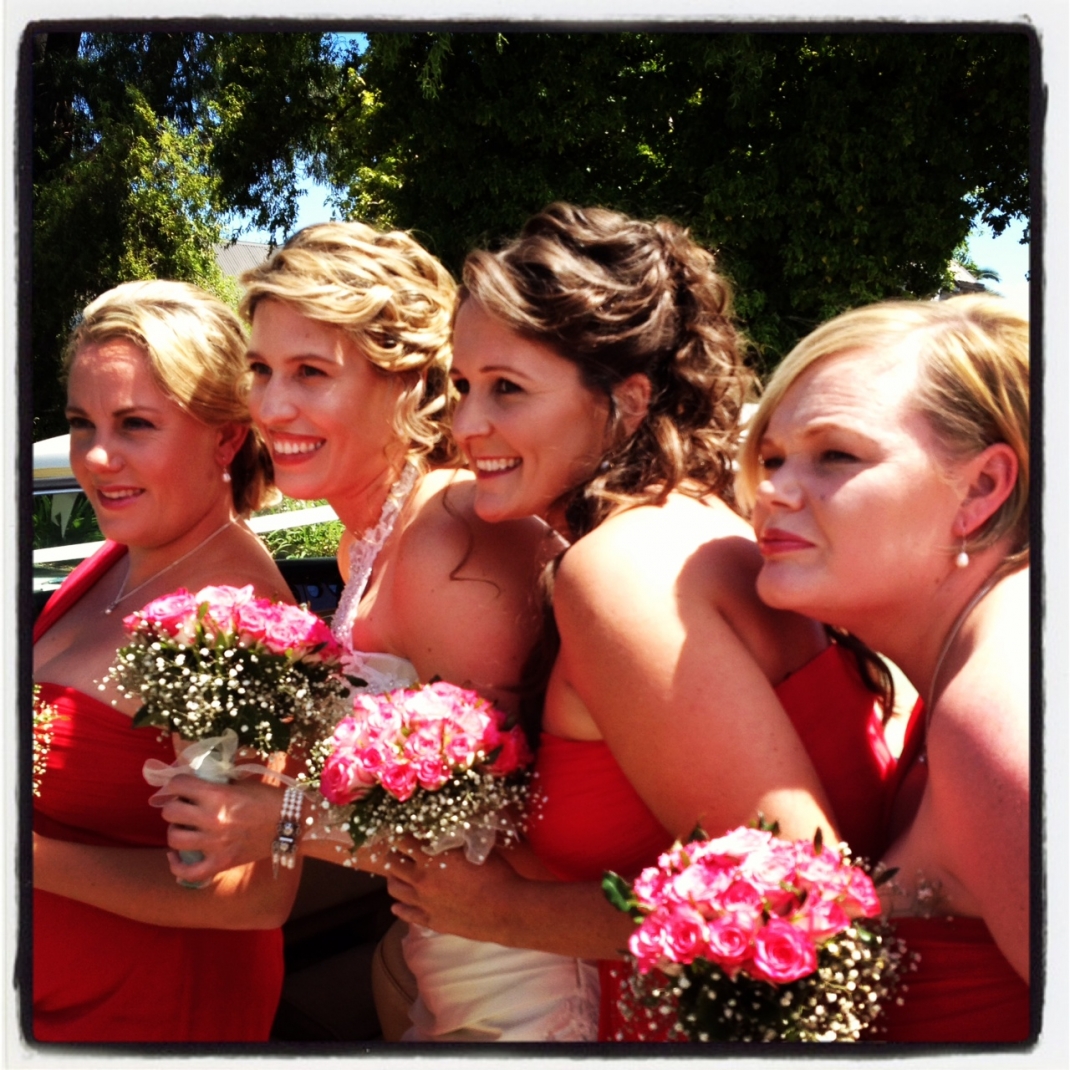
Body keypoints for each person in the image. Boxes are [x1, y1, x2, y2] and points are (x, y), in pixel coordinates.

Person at [355, 203, 898, 1042]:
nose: (464, 426)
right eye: (463, 387)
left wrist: (504, 913)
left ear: (628, 400)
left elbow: (797, 909)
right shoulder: (701, 522)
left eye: (508, 388)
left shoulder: (619, 571)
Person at [157, 222, 601, 1042]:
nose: (271, 407)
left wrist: (277, 819)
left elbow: (514, 828)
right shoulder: (364, 541)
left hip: (524, 987)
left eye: (311, 373)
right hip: (444, 958)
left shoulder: (450, 545)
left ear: (408, 380)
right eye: (261, 370)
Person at [734, 294, 1030, 1043]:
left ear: (981, 489)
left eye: (836, 455)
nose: (771, 491)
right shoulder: (976, 663)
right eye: (772, 457)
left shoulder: (1001, 710)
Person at [31, 280, 299, 1042]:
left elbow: (254, 893)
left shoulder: (230, 621)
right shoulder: (120, 557)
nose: (97, 457)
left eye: (136, 424)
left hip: (145, 1017)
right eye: (81, 424)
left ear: (226, 439)